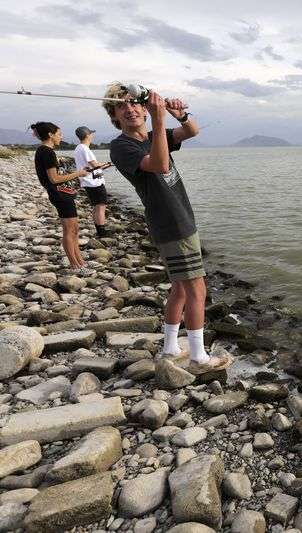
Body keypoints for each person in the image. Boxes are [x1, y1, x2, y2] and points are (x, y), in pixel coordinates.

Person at [102, 82, 230, 374]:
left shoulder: (151, 135)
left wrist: (178, 115)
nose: (130, 108)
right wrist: (159, 121)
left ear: (143, 108)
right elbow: (159, 164)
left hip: (179, 219)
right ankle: (198, 358)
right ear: (114, 116)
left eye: (135, 102)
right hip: (171, 224)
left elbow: (192, 131)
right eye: (121, 105)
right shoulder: (122, 146)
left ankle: (171, 346)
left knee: (180, 289)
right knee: (197, 289)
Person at [30, 122, 90, 273]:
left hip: (64, 194)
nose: (61, 137)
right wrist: (79, 173)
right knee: (69, 230)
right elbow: (54, 179)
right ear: (50, 135)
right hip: (59, 195)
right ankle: (74, 265)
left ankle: (80, 261)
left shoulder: (45, 151)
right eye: (59, 134)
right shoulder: (47, 152)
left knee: (74, 229)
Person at [73, 126, 110, 237]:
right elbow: (94, 164)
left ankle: (99, 229)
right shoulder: (85, 148)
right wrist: (107, 163)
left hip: (88, 181)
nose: (92, 135)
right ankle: (102, 232)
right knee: (101, 206)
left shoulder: (78, 148)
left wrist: (104, 165)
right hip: (94, 182)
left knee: (96, 206)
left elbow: (91, 166)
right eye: (91, 133)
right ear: (87, 135)